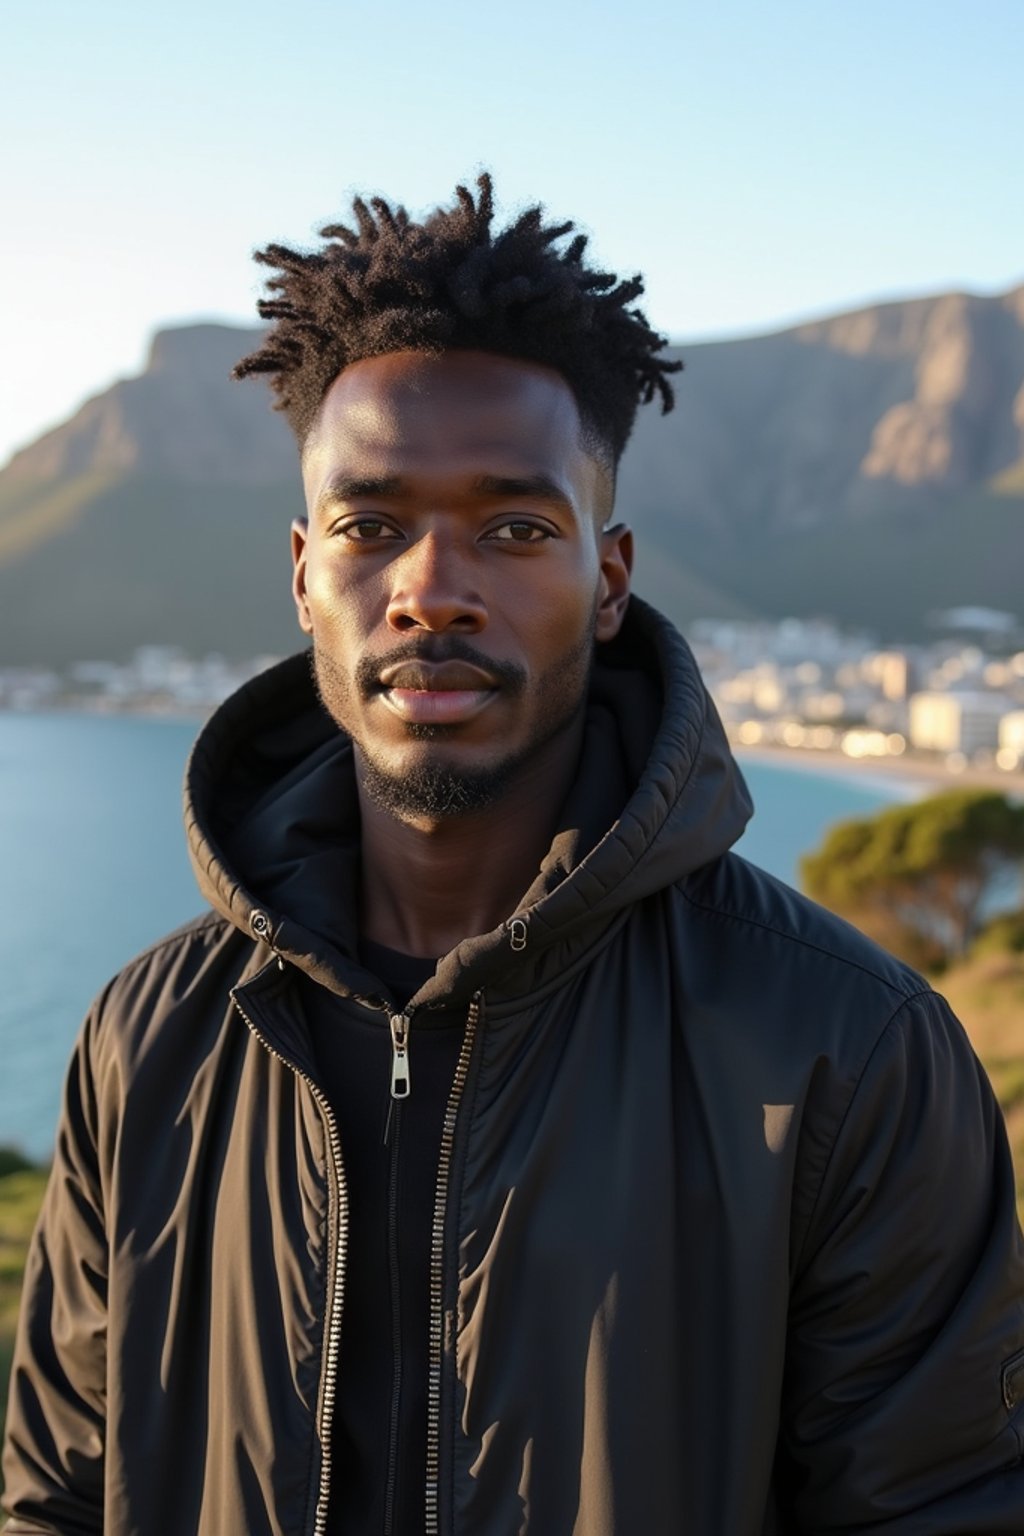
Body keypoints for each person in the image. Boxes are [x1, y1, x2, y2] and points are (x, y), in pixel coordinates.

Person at [3, 174, 1024, 1536]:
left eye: (514, 527)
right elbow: (61, 1499)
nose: (431, 584)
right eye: (371, 527)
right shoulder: (148, 1043)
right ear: (304, 572)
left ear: (608, 583)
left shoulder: (848, 1051)